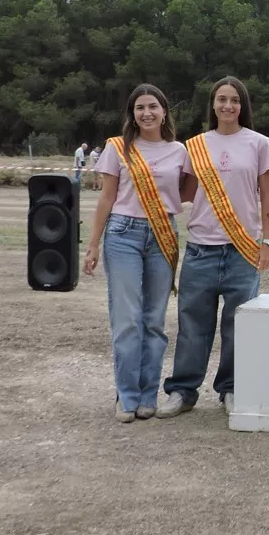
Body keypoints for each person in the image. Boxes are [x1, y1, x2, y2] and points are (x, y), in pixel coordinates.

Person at [159, 77, 269, 417]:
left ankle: (232, 389)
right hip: (201, 249)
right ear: (212, 104)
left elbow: (267, 197)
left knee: (239, 326)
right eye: (222, 99)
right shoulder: (194, 145)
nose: (228, 106)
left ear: (243, 106)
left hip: (242, 249)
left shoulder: (259, 144)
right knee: (193, 325)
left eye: (234, 100)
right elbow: (185, 193)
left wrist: (266, 241)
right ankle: (182, 391)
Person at [82, 83, 189, 423]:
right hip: (123, 234)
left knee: (154, 320)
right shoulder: (118, 148)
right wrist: (93, 244)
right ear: (132, 113)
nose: (147, 113)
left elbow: (186, 192)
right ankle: (126, 396)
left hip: (162, 235)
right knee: (127, 319)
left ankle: (148, 394)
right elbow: (106, 198)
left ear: (164, 111)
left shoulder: (180, 151)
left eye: (153, 106)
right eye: (140, 107)